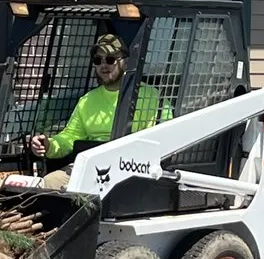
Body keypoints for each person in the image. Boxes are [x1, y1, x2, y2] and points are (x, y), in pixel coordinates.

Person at [31, 34, 171, 189]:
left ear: (126, 62)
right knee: (49, 182)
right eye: (98, 60)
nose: (104, 65)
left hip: (133, 169)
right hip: (92, 167)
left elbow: (167, 135)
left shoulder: (152, 97)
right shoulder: (87, 100)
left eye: (110, 59)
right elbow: (69, 137)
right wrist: (49, 145)